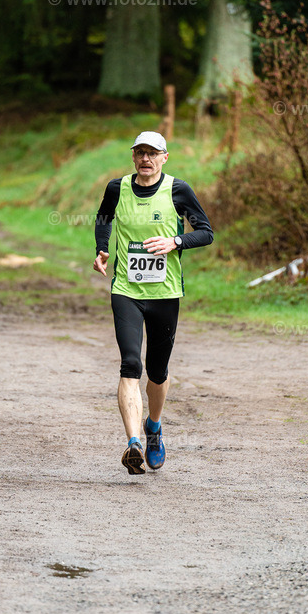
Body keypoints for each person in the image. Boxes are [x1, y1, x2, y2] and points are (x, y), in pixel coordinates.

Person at [93, 131, 213, 475]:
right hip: (126, 290)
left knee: (157, 373)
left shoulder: (179, 190)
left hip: (165, 293)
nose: (146, 159)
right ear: (133, 157)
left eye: (152, 153)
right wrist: (102, 248)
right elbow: (104, 218)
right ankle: (132, 443)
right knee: (130, 364)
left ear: (165, 157)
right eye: (140, 153)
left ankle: (154, 429)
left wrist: (176, 240)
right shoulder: (117, 188)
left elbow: (206, 231)